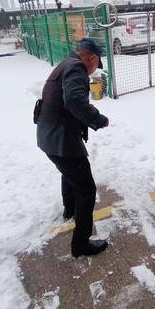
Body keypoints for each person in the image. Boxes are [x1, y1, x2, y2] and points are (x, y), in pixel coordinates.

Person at [36, 38, 109, 257]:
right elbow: (74, 101)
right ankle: (81, 245)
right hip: (61, 139)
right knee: (86, 189)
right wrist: (98, 119)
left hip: (51, 137)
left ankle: (69, 209)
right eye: (96, 65)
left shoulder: (66, 64)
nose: (94, 70)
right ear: (93, 58)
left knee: (70, 174)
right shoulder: (77, 67)